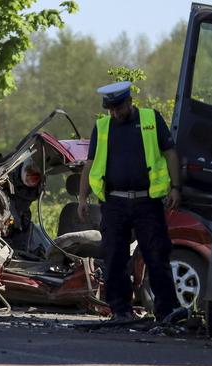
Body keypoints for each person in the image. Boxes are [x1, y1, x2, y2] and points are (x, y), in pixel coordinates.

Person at [77, 81, 187, 325]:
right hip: (114, 203)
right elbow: (90, 163)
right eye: (111, 110)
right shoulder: (103, 127)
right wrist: (82, 197)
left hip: (147, 201)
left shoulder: (151, 119)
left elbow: (170, 153)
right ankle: (121, 310)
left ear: (129, 102)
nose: (115, 114)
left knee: (156, 255)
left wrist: (176, 188)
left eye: (119, 108)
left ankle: (166, 310)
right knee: (115, 256)